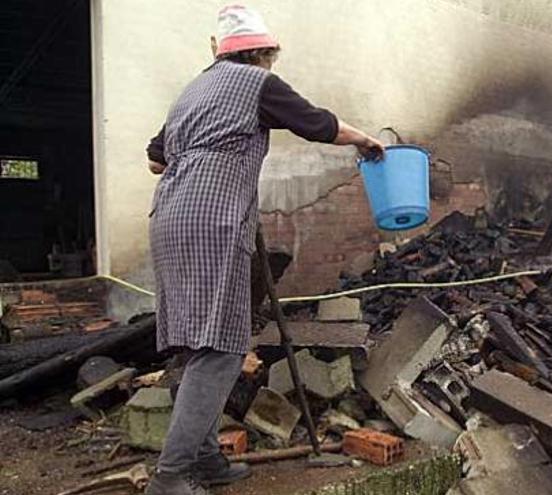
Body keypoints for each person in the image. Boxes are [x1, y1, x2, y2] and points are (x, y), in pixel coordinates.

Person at [143, 6, 384, 495]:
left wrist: (207, 157)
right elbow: (317, 124)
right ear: (263, 53)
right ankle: (169, 477)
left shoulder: (193, 91)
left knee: (199, 341)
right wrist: (364, 140)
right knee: (223, 349)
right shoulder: (258, 84)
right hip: (212, 220)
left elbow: (155, 160)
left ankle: (207, 459)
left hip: (168, 216)